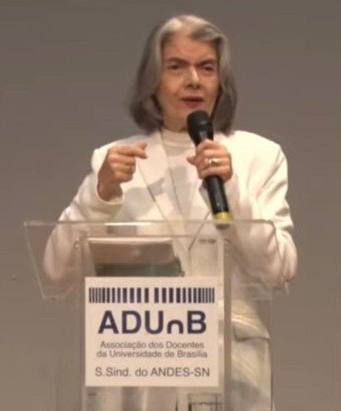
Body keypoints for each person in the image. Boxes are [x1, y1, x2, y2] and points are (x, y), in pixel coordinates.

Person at [43, 14, 297, 411]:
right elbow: (56, 272)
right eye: (177, 66)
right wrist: (100, 194)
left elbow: (279, 268)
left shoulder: (258, 157)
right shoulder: (115, 160)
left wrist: (232, 187)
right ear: (153, 82)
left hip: (231, 375)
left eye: (207, 68)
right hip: (138, 375)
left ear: (221, 82)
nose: (194, 80)